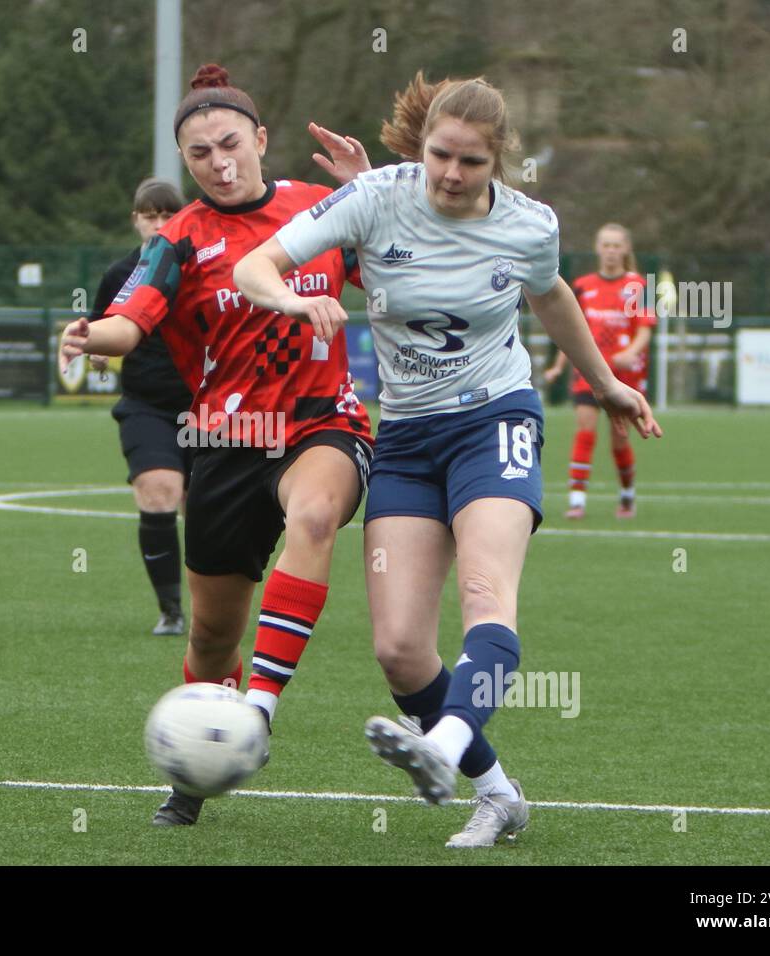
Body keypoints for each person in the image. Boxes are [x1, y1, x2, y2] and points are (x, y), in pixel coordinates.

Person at [234, 73, 662, 847]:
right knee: (399, 650)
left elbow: (552, 294)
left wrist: (606, 385)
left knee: (485, 592)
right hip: (403, 436)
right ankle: (497, 793)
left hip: (494, 419)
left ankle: (444, 746)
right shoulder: (376, 196)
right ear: (420, 143)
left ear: (499, 160)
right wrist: (295, 300)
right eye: (440, 156)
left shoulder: (532, 226)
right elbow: (253, 265)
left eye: (471, 162)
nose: (452, 176)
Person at [60, 64, 375, 826]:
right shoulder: (177, 239)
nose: (220, 162)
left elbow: (398, 270)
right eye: (200, 155)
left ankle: (258, 713)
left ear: (261, 139)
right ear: (185, 164)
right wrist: (86, 334)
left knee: (314, 519)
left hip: (320, 420)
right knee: (210, 636)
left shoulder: (321, 207)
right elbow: (130, 324)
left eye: (231, 143)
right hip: (226, 440)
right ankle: (195, 775)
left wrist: (376, 196)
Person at [88, 177, 192, 635]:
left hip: (209, 410)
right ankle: (170, 609)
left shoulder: (203, 269)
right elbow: (100, 333)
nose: (159, 223)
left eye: (169, 214)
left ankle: (212, 611)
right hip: (146, 406)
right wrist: (90, 346)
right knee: (158, 492)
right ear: (136, 221)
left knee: (208, 514)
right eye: (150, 215)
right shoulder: (118, 275)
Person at [544, 223, 655, 519]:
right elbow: (572, 333)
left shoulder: (640, 286)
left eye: (616, 245)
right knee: (585, 430)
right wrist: (557, 367)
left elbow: (645, 330)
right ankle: (577, 501)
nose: (610, 251)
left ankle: (627, 495)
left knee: (619, 441)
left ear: (626, 249)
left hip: (625, 377)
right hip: (588, 373)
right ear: (597, 248)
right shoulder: (582, 286)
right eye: (605, 245)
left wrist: (630, 352)